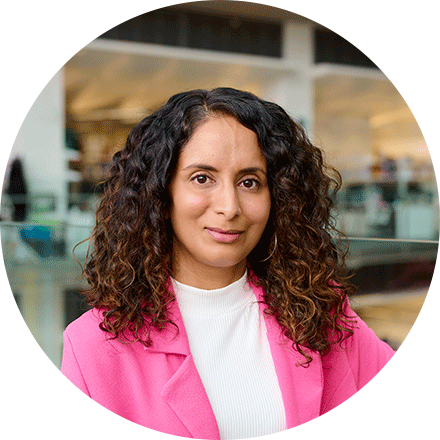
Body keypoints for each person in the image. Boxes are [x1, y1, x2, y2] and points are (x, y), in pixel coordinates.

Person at [61, 88, 394, 439]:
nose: (229, 207)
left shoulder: (322, 314)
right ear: (161, 192)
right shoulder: (92, 347)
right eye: (202, 178)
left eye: (249, 182)